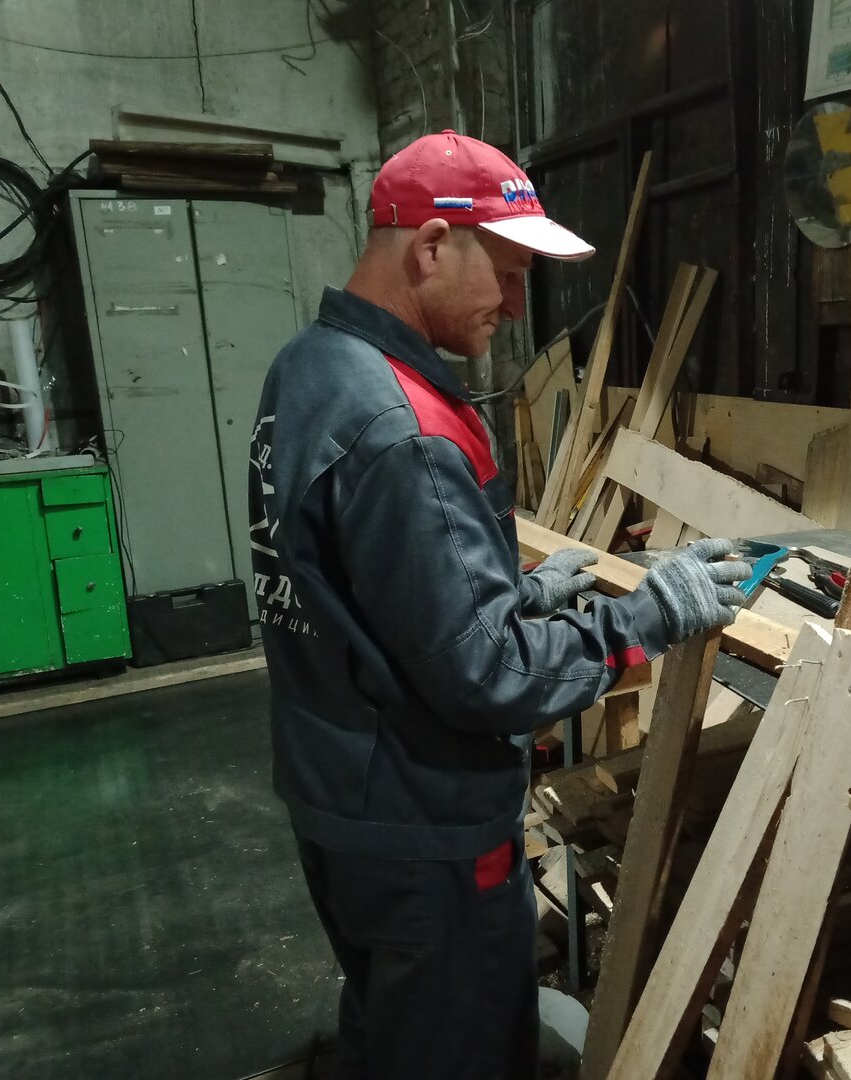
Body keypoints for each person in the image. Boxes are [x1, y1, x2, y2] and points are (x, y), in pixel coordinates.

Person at [247, 130, 751, 1080]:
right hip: (423, 821)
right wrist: (645, 617)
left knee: (391, 1021)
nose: (518, 306)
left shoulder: (310, 368)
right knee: (462, 1050)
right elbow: (493, 678)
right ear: (432, 247)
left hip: (338, 789)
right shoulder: (407, 429)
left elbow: (348, 575)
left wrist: (504, 594)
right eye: (510, 274)